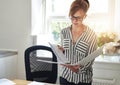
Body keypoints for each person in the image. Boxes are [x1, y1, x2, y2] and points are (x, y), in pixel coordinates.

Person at [59, 0, 98, 85]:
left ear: (85, 16)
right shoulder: (64, 32)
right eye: (72, 17)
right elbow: (64, 53)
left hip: (82, 80)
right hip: (65, 77)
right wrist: (60, 51)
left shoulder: (91, 35)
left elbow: (90, 60)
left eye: (78, 18)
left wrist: (78, 69)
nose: (75, 21)